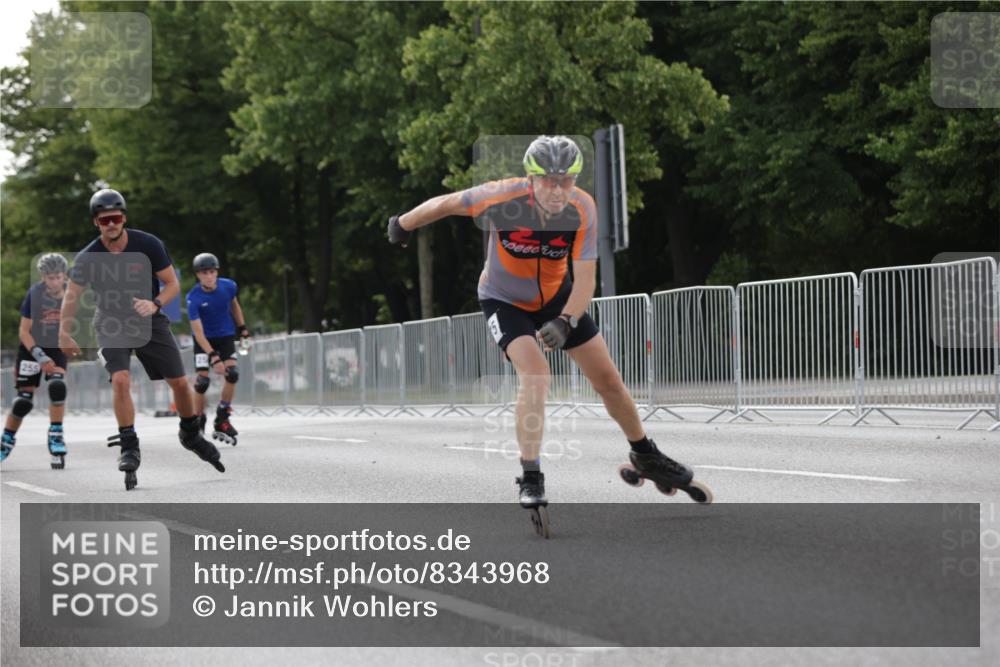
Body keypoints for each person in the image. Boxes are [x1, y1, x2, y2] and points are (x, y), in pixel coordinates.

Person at [387, 135, 709, 510]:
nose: (558, 190)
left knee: (608, 379)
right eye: (548, 181)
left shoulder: (583, 208)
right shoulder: (501, 197)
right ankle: (530, 475)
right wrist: (403, 224)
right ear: (531, 178)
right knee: (537, 374)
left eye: (566, 181)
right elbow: (447, 203)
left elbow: (585, 279)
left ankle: (645, 454)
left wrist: (566, 320)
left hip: (558, 298)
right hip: (504, 300)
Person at [59, 188, 225, 490]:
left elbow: (172, 284)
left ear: (124, 218)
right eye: (104, 219)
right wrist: (63, 332)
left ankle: (190, 433)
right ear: (96, 222)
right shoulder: (88, 257)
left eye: (116, 218)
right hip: (111, 323)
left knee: (180, 383)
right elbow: (71, 296)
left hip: (149, 318)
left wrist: (155, 304)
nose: (111, 224)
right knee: (121, 380)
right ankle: (129, 444)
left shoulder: (148, 244)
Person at [1, 253, 71, 469]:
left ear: (64, 275)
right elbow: (24, 331)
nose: (55, 282)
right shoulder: (35, 294)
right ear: (43, 277)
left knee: (57, 386)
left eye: (58, 277)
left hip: (56, 347)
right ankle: (6, 441)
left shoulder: (72, 293)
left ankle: (56, 435)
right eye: (50, 278)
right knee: (23, 401)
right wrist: (40, 356)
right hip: (31, 349)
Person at [185, 252, 250, 445]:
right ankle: (198, 420)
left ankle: (222, 417)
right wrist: (213, 357)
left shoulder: (228, 286)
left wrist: (243, 329)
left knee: (233, 374)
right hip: (203, 340)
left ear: (217, 272)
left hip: (225, 336)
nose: (209, 276)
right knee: (202, 382)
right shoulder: (193, 298)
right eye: (204, 273)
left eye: (212, 272)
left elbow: (234, 305)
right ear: (198, 275)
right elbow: (198, 333)